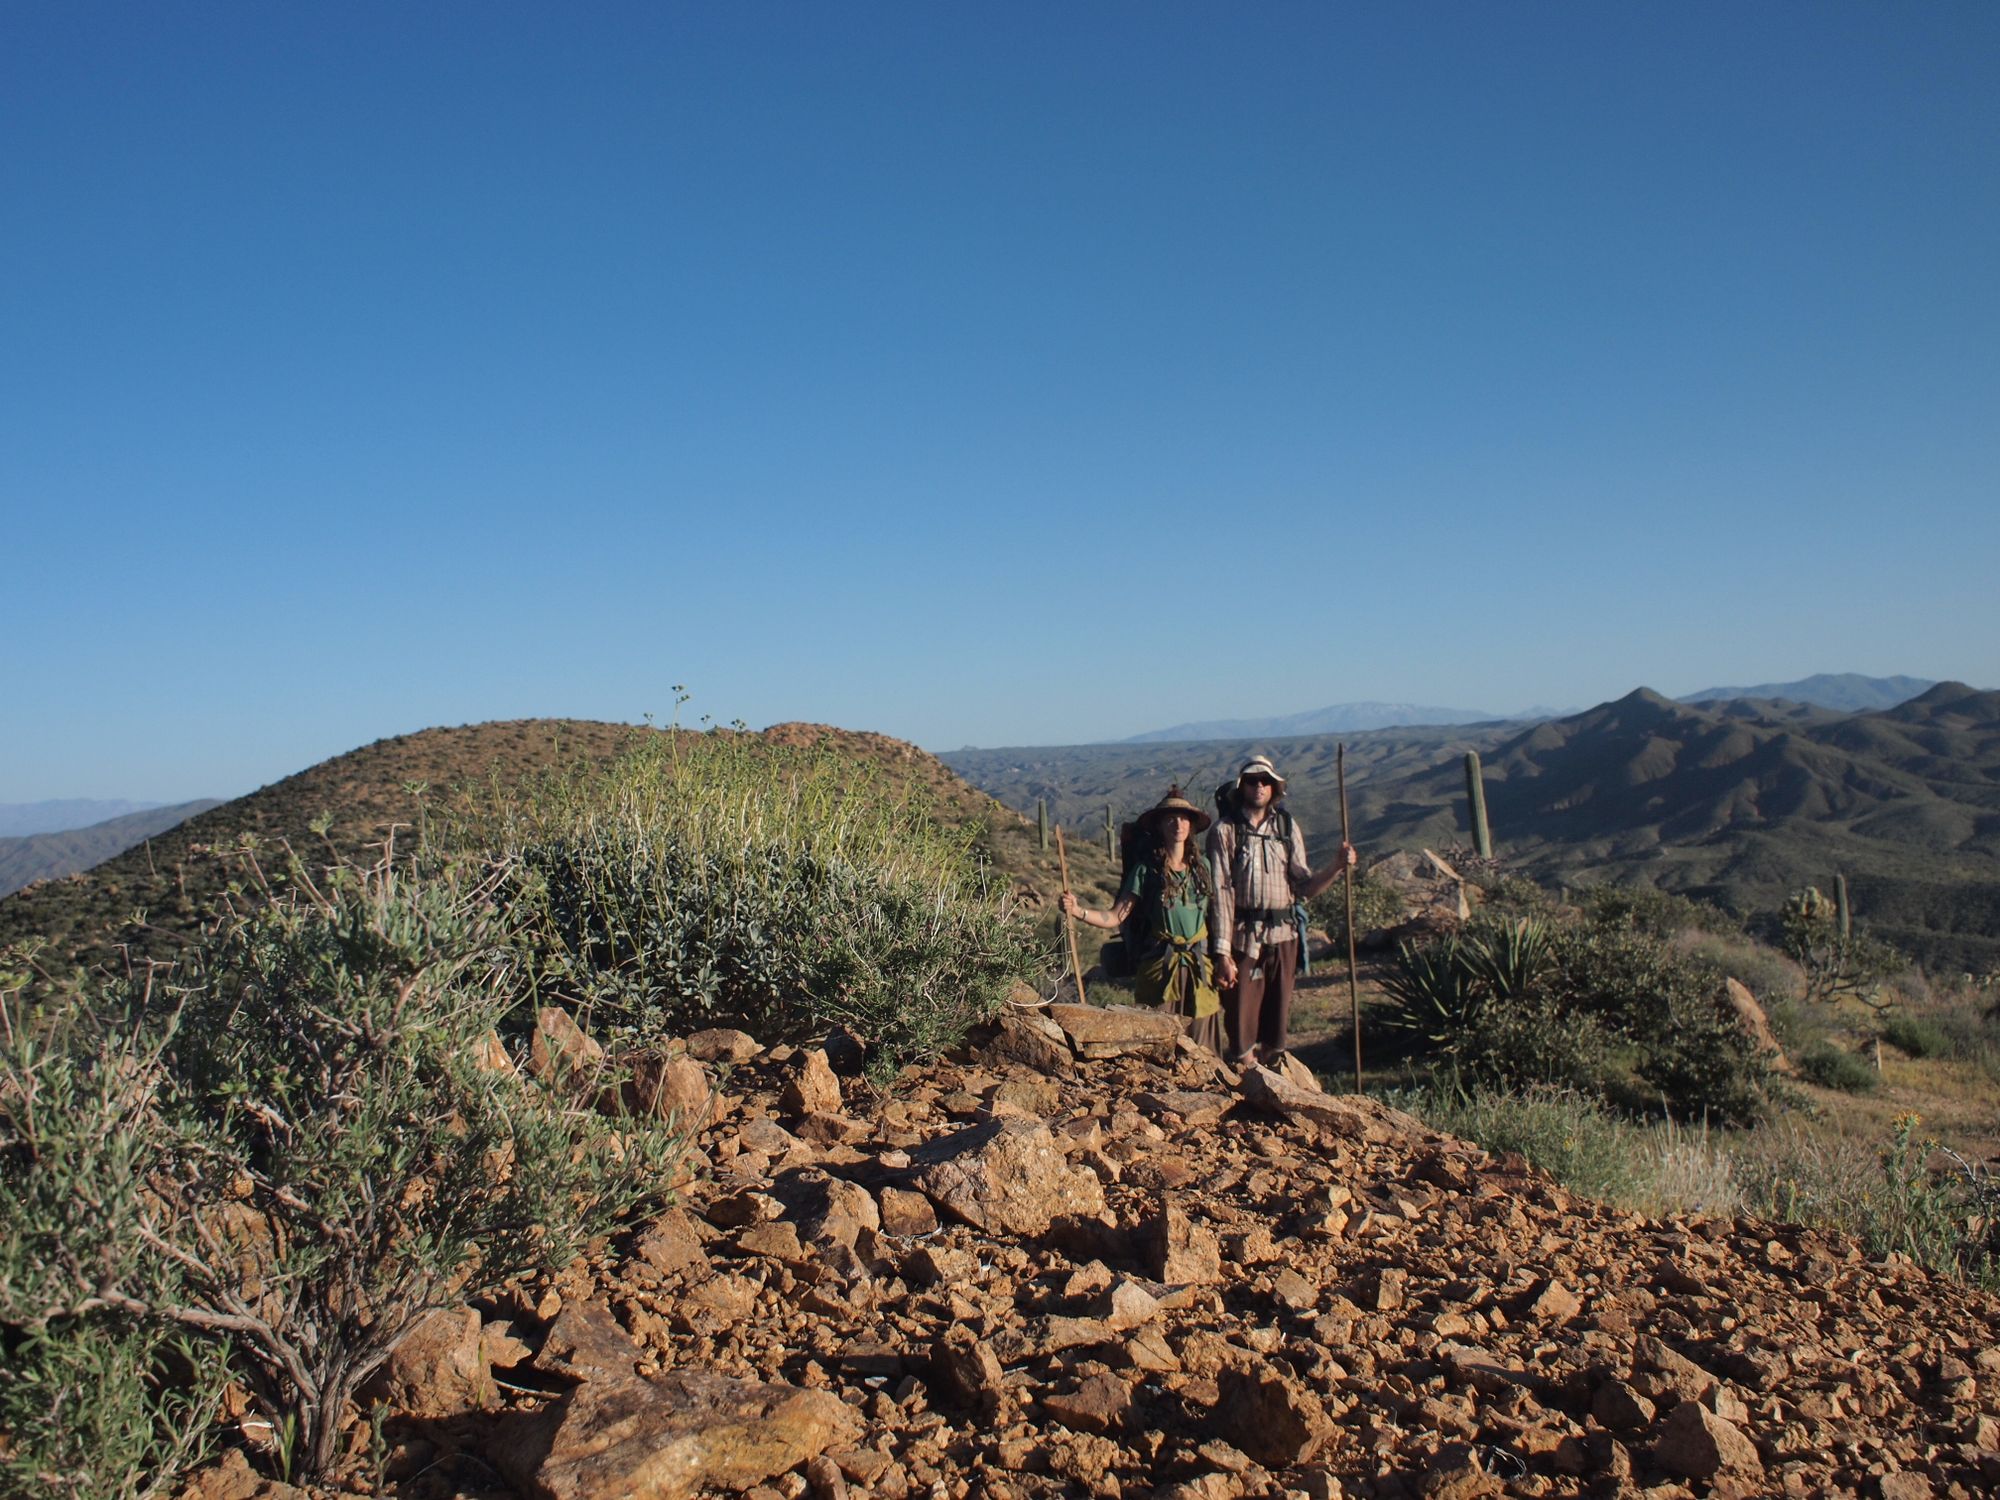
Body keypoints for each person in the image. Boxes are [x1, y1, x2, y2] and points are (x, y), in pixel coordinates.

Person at [1206, 754, 1357, 1065]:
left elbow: (1304, 885)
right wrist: (1222, 952)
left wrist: (1336, 867)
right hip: (1242, 937)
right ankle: (1246, 1086)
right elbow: (1221, 892)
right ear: (1241, 786)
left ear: (1274, 787)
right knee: (1241, 1022)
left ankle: (1274, 1081)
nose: (1258, 786)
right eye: (1251, 780)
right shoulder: (1225, 831)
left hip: (1283, 935)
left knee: (1277, 1023)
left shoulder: (1287, 827)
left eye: (1265, 781)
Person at [1059, 786, 1223, 1054]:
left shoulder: (1202, 868)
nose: (1177, 823)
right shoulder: (1146, 870)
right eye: (1170, 818)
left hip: (1199, 968)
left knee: (1203, 1048)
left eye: (1183, 818)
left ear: (1191, 825)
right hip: (1160, 967)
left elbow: (1219, 914)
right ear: (1159, 825)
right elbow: (1116, 916)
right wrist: (1079, 911)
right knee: (1157, 1041)